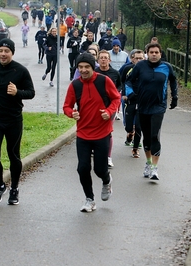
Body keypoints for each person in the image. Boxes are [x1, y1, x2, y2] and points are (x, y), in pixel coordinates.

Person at [63, 53, 121, 212]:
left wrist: (109, 112)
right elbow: (66, 106)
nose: (83, 70)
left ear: (93, 67)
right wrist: (71, 113)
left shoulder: (104, 81)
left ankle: (107, 180)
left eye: (86, 67)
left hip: (102, 133)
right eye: (80, 67)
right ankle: (89, 199)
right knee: (82, 168)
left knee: (99, 169)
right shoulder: (75, 85)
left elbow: (116, 98)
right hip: (83, 133)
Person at [0, 38, 35, 205]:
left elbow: (31, 92)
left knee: (13, 155)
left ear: (12, 52)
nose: (3, 54)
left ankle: (15, 188)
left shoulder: (21, 71)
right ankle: (0, 185)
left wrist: (17, 92)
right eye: (1, 51)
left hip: (13, 120)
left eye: (7, 51)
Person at [125, 43, 178, 180]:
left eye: (156, 52)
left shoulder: (166, 67)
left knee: (155, 135)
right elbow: (128, 81)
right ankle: (148, 163)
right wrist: (131, 94)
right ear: (147, 54)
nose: (154, 55)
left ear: (160, 54)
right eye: (151, 52)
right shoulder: (140, 66)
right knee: (146, 136)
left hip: (159, 106)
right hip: (142, 106)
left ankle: (155, 168)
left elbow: (173, 80)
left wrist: (175, 97)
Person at [95, 50, 122, 168]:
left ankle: (108, 157)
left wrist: (116, 92)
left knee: (107, 132)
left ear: (109, 60)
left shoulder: (115, 73)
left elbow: (120, 85)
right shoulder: (94, 73)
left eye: (106, 58)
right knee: (96, 131)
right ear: (98, 60)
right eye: (101, 58)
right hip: (95, 107)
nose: (103, 60)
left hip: (110, 107)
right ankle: (97, 154)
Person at [121, 49, 144, 158]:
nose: (139, 60)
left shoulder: (148, 70)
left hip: (142, 102)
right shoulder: (127, 69)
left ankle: (135, 149)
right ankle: (130, 133)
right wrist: (124, 94)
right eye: (137, 58)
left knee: (139, 127)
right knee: (129, 126)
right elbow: (123, 81)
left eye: (141, 58)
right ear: (132, 59)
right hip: (130, 100)